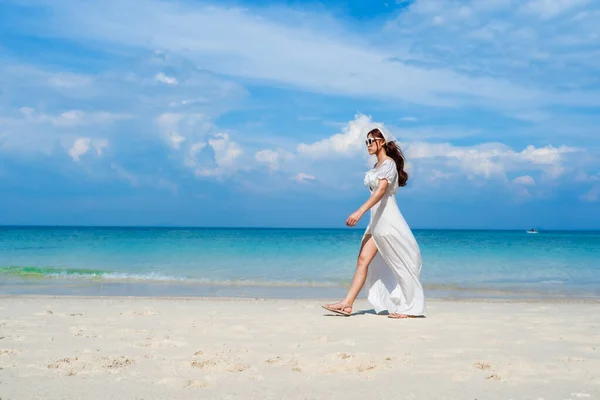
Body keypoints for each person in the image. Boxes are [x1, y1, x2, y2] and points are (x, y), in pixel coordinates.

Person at [322, 127, 425, 319]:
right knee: (362, 260)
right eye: (366, 142)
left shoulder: (388, 164)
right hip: (376, 221)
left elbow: (380, 191)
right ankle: (347, 304)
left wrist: (359, 211)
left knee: (400, 263)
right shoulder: (377, 167)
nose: (368, 145)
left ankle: (410, 308)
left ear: (382, 141)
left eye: (372, 141)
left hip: (388, 220)